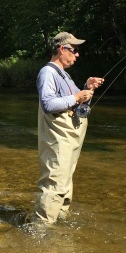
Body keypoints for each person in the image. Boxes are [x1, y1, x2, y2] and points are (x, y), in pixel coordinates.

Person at [33, 32, 104, 224]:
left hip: (69, 138)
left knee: (65, 180)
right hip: (57, 139)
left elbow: (73, 101)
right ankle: (41, 228)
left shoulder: (64, 75)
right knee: (55, 181)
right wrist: (77, 97)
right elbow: (48, 104)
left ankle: (59, 221)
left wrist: (86, 87)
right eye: (75, 50)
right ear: (62, 49)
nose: (77, 55)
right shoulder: (48, 72)